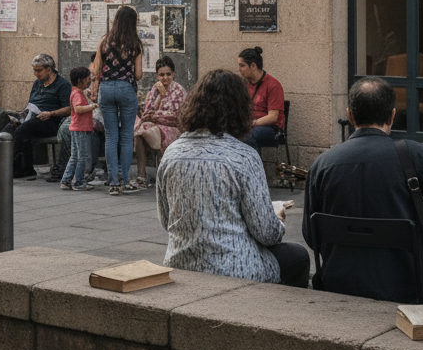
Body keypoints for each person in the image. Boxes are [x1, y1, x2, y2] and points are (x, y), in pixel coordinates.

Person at [303, 77, 423, 303]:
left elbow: (311, 236)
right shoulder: (413, 155)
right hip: (408, 288)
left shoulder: (321, 164)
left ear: (349, 116)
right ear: (392, 115)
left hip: (339, 283)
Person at [155, 69, 309, 287]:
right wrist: (277, 218)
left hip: (181, 263)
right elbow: (267, 233)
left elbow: (166, 220)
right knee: (298, 257)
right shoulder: (243, 156)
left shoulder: (171, 152)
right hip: (235, 268)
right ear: (240, 110)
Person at [0, 54, 70, 186]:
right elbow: (31, 104)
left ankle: (0, 171)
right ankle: (1, 166)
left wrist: (50, 113)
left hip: (51, 121)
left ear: (49, 69)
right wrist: (21, 115)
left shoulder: (63, 84)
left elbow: (68, 109)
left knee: (23, 130)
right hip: (33, 117)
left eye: (39, 70)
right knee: (8, 129)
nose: (36, 74)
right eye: (34, 70)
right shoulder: (37, 83)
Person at [91, 5, 142, 194]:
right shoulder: (135, 44)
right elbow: (138, 74)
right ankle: (125, 178)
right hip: (126, 88)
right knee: (127, 135)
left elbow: (96, 70)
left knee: (111, 136)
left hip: (106, 88)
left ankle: (113, 182)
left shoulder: (104, 41)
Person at [132, 56, 185, 189]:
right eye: (161, 75)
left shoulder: (179, 91)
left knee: (148, 129)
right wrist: (159, 97)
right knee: (140, 133)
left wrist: (156, 116)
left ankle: (164, 176)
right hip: (154, 126)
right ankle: (141, 175)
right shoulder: (154, 91)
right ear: (157, 76)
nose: (165, 78)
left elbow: (176, 116)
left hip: (173, 128)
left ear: (173, 74)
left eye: (168, 74)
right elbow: (147, 113)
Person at [237, 46, 285, 150]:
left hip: (272, 129)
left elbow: (273, 117)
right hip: (250, 125)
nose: (239, 70)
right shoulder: (244, 83)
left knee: (248, 136)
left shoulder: (273, 85)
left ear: (253, 66)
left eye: (242, 66)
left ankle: (253, 166)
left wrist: (251, 123)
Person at [60, 66, 97, 191]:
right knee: (82, 156)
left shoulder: (77, 92)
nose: (90, 81)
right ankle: (78, 181)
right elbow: (78, 109)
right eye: (88, 79)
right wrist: (92, 106)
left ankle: (66, 180)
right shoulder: (76, 93)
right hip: (80, 129)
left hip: (77, 128)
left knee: (75, 156)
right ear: (80, 80)